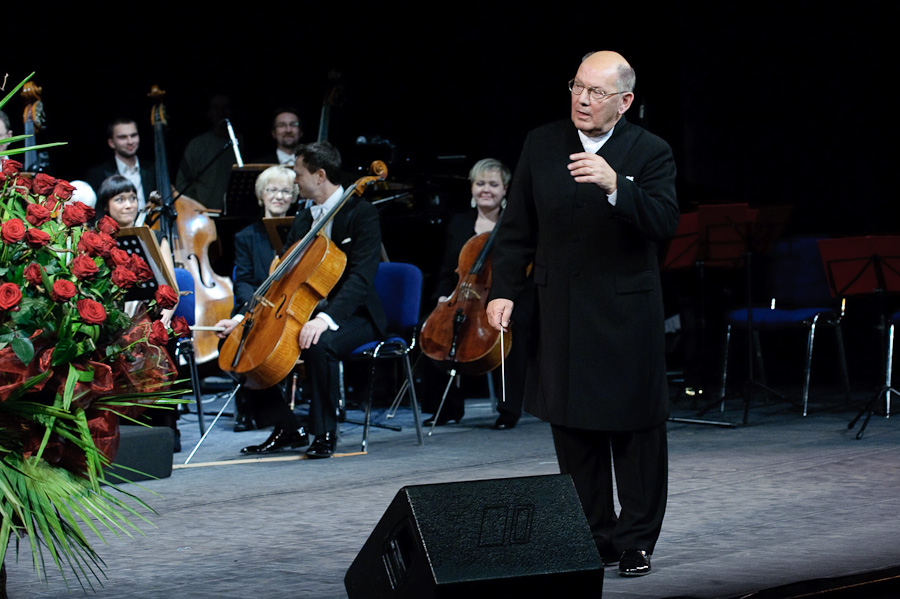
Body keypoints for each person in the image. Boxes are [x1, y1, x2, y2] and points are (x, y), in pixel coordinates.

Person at [486, 50, 679, 577]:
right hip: (561, 310)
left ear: (625, 101)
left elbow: (664, 221)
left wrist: (617, 184)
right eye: (577, 87)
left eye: (596, 92)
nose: (583, 100)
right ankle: (597, 535)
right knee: (573, 429)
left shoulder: (650, 151)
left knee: (636, 431)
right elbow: (517, 225)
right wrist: (504, 289)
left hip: (624, 313)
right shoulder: (543, 142)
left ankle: (637, 540)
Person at [215, 141, 386, 459]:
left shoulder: (362, 214)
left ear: (320, 175)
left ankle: (323, 433)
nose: (294, 181)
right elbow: (281, 277)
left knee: (319, 343)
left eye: (299, 174)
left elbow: (361, 279)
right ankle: (286, 427)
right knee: (239, 344)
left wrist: (325, 320)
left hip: (355, 314)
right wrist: (244, 318)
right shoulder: (306, 219)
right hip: (305, 309)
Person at [421, 158, 529, 430]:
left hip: (508, 299)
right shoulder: (459, 223)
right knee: (433, 334)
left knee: (511, 336)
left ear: (505, 189)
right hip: (464, 297)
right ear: (471, 187)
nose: (486, 190)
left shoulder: (515, 225)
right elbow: (448, 269)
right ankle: (447, 408)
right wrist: (442, 297)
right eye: (480, 183)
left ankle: (509, 410)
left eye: (493, 184)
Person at [229, 165, 300, 431]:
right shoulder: (246, 236)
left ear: (293, 195)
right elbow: (243, 280)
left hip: (293, 308)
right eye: (272, 190)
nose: (279, 196)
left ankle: (279, 422)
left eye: (285, 190)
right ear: (261, 195)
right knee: (231, 343)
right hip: (258, 307)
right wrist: (257, 305)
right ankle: (272, 416)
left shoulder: (303, 233)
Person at [175, 94, 242, 212]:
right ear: (209, 113)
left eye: (225, 107)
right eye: (216, 108)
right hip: (203, 215)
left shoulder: (240, 143)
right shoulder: (197, 145)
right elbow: (182, 185)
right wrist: (195, 208)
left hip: (236, 214)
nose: (221, 112)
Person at [84, 118, 155, 212]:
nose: (130, 141)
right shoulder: (97, 175)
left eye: (133, 135)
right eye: (123, 137)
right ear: (111, 143)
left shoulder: (153, 169)